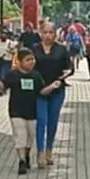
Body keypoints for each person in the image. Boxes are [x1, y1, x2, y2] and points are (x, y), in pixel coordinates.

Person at [4, 48, 62, 174]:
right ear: (19, 62)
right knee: (20, 135)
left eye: (32, 59)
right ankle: (21, 161)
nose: (31, 62)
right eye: (27, 60)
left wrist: (52, 87)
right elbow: (3, 87)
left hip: (32, 112)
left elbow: (42, 91)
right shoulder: (13, 75)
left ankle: (27, 155)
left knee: (30, 137)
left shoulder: (36, 75)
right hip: (16, 111)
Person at [32, 21, 73, 166]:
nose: (48, 36)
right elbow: (28, 67)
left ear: (55, 34)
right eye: (45, 32)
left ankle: (49, 148)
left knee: (52, 121)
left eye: (51, 32)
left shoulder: (61, 49)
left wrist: (67, 73)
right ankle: (40, 151)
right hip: (40, 91)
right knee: (41, 120)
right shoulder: (34, 49)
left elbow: (69, 67)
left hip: (56, 89)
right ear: (40, 33)